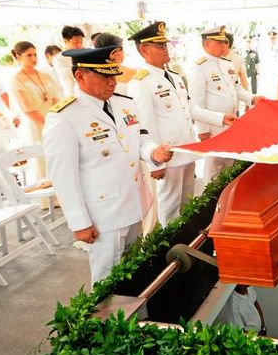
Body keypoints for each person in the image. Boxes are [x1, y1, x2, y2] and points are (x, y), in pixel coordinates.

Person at [43, 45, 174, 283]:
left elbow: (140, 139)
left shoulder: (124, 103)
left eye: (113, 75)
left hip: (134, 203)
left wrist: (154, 152)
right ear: (80, 76)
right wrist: (79, 222)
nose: (112, 82)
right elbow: (64, 177)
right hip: (103, 215)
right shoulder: (64, 117)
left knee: (134, 271)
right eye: (105, 76)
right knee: (107, 279)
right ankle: (104, 321)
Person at [127, 22, 234, 226]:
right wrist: (155, 161)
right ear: (144, 50)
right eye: (160, 46)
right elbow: (145, 126)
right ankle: (171, 247)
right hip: (167, 154)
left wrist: (220, 118)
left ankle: (187, 241)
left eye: (165, 45)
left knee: (187, 203)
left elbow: (191, 108)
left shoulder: (174, 77)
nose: (166, 49)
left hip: (186, 148)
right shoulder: (141, 83)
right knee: (169, 205)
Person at [187, 26, 264, 183]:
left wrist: (252, 98)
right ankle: (210, 203)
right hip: (213, 127)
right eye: (219, 42)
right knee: (213, 168)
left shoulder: (227, 64)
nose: (224, 46)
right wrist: (202, 131)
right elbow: (196, 103)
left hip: (230, 123)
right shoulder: (199, 67)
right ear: (207, 45)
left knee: (229, 165)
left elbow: (236, 88)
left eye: (225, 42)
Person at [8, 41, 62, 149]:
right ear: (18, 57)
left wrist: (57, 120)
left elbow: (56, 98)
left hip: (54, 121)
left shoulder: (45, 75)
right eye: (29, 55)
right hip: (36, 125)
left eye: (35, 55)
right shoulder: (16, 80)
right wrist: (48, 124)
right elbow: (27, 109)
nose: (33, 58)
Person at [54, 26, 85, 97]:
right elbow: (69, 74)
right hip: (72, 95)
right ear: (65, 41)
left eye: (81, 42)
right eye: (76, 43)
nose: (80, 45)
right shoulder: (59, 59)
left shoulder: (84, 53)